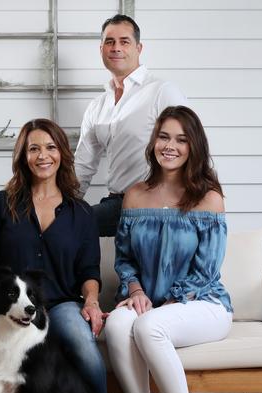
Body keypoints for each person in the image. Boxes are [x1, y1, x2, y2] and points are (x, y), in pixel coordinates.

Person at [104, 106, 233, 393]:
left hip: (202, 303)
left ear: (194, 146)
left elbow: (206, 268)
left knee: (149, 326)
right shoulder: (134, 195)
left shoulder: (208, 198)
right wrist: (136, 288)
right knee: (116, 324)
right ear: (153, 142)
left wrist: (166, 300)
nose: (170, 146)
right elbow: (124, 257)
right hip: (151, 299)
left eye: (180, 139)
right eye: (164, 137)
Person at [0, 118, 109, 393]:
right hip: (12, 307)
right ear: (23, 156)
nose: (43, 156)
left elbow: (89, 270)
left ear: (62, 153)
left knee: (84, 346)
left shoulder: (81, 213)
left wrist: (92, 302)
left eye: (50, 147)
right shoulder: (0, 205)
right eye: (34, 149)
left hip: (61, 305)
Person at [74, 14, 187, 236]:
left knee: (71, 227)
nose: (116, 48)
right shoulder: (97, 106)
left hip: (155, 204)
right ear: (101, 50)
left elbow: (192, 146)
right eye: (110, 42)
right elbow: (83, 167)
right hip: (116, 203)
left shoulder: (162, 92)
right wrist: (60, 209)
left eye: (124, 41)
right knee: (61, 225)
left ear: (138, 48)